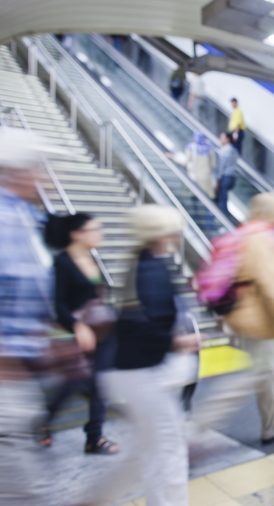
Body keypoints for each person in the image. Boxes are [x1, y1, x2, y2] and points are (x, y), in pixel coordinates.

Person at [93, 205, 199, 506]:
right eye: (173, 229)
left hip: (132, 371)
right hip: (145, 373)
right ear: (161, 233)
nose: (178, 235)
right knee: (170, 451)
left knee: (154, 449)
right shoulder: (152, 268)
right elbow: (148, 325)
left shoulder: (140, 261)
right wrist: (179, 342)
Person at [0, 128, 56, 505]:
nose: (49, 177)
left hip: (18, 374)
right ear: (16, 172)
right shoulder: (7, 221)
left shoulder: (25, 218)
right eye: (41, 167)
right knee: (28, 492)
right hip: (6, 377)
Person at [41, 213, 119, 455]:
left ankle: (94, 437)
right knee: (73, 382)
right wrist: (77, 325)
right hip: (76, 333)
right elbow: (59, 304)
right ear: (76, 234)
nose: (101, 233)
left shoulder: (94, 257)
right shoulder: (62, 263)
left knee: (100, 384)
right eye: (94, 229)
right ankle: (43, 423)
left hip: (103, 332)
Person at [223, 193, 274, 444]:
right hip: (258, 317)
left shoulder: (247, 233)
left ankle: (273, 423)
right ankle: (272, 427)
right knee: (267, 373)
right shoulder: (261, 239)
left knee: (265, 371)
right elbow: (271, 282)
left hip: (251, 315)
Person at [214, 132, 238, 220]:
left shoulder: (223, 151)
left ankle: (226, 221)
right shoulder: (234, 150)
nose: (220, 140)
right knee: (224, 200)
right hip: (232, 178)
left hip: (225, 177)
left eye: (221, 138)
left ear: (228, 139)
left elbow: (221, 167)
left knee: (222, 202)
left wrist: (217, 181)